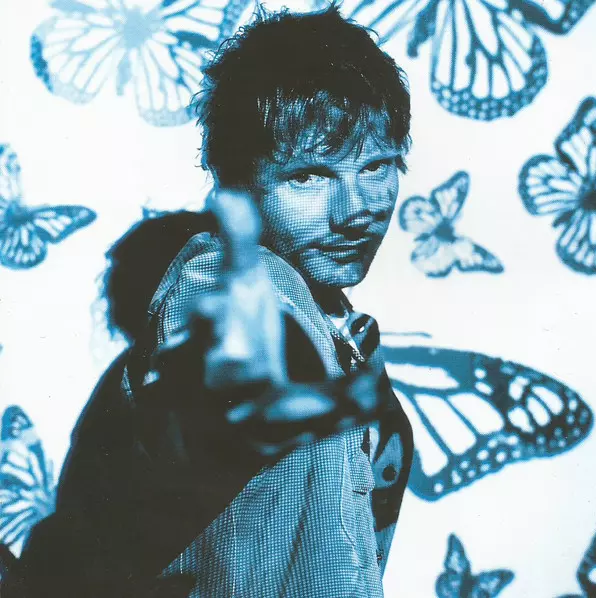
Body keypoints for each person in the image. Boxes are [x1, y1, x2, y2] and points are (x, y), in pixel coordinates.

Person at [6, 6, 414, 597]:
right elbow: (226, 365)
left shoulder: (334, 321)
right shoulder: (232, 285)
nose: (355, 210)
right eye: (308, 177)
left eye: (376, 166)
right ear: (236, 188)